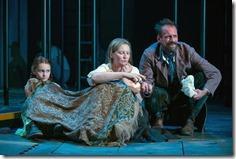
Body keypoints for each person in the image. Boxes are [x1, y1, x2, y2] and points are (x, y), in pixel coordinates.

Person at [16, 38, 152, 146]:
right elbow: (93, 78)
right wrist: (121, 76)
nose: (125, 56)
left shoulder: (133, 70)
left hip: (122, 110)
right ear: (112, 54)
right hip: (100, 109)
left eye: (127, 53)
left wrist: (126, 78)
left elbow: (135, 88)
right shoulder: (106, 67)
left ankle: (112, 132)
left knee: (119, 121)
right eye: (121, 53)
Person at [139, 18, 222, 136]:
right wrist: (147, 86)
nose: (173, 40)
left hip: (183, 95)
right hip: (162, 96)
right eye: (168, 37)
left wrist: (205, 91)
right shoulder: (149, 54)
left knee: (201, 77)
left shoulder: (186, 50)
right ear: (159, 38)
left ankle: (190, 121)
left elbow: (214, 73)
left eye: (175, 36)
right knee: (152, 89)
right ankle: (158, 122)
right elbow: (147, 79)